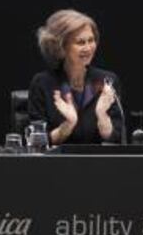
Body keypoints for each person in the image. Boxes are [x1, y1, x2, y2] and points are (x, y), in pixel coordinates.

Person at [28, 9, 123, 145]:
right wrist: (68, 125)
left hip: (98, 163)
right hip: (55, 164)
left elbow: (115, 139)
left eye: (91, 40)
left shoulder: (107, 81)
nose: (89, 48)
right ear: (61, 47)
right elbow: (36, 143)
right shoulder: (42, 83)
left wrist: (102, 115)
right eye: (80, 42)